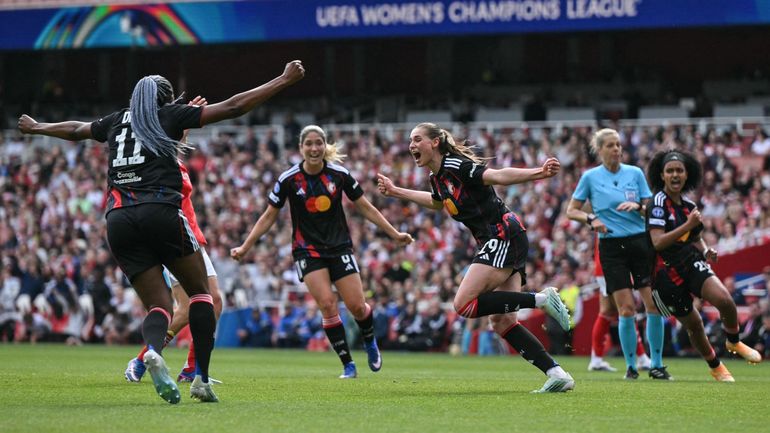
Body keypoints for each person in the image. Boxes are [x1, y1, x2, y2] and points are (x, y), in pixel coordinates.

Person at [18, 59, 306, 403]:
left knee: (159, 306)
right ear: (164, 100)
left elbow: (78, 129)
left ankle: (152, 351)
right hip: (162, 215)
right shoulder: (168, 116)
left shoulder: (116, 121)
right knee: (203, 296)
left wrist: (38, 128)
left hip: (119, 221)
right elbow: (234, 106)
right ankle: (199, 378)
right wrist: (283, 80)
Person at [376, 122, 575, 393]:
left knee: (463, 304)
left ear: (434, 142)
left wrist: (538, 173)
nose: (411, 145)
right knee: (502, 322)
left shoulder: (455, 165)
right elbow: (436, 203)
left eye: (417, 139)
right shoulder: (437, 178)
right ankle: (557, 373)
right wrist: (397, 191)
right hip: (502, 238)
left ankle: (541, 299)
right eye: (410, 140)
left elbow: (497, 176)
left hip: (503, 233)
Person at [230, 124, 413, 378]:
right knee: (327, 304)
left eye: (319, 143)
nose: (314, 148)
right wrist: (245, 246)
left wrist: (394, 234)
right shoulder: (288, 179)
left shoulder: (339, 174)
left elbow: (365, 207)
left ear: (324, 146)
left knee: (358, 307)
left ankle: (370, 341)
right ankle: (348, 364)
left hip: (339, 248)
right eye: (309, 143)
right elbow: (268, 216)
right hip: (307, 250)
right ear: (300, 148)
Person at [646, 149, 762, 381]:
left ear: (687, 175)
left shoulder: (689, 206)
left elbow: (695, 237)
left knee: (726, 301)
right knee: (695, 324)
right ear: (662, 176)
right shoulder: (657, 203)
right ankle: (716, 366)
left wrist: (706, 249)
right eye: (670, 171)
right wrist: (688, 226)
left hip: (690, 261)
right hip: (665, 275)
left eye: (679, 170)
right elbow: (657, 242)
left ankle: (733, 341)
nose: (675, 175)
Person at [566, 128, 670, 380]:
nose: (616, 149)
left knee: (653, 304)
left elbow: (650, 206)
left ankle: (656, 364)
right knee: (625, 309)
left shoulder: (634, 173)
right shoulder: (590, 177)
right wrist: (591, 219)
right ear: (600, 150)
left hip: (639, 244)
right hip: (611, 247)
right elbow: (572, 210)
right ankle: (631, 367)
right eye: (610, 145)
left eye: (618, 144)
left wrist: (638, 206)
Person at [124, 150, 225, 384]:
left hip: (192, 237)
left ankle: (192, 370)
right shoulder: (154, 160)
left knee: (215, 301)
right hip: (173, 236)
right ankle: (141, 360)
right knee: (189, 306)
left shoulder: (176, 160)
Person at [588, 233, 652, 372]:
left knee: (608, 311)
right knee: (626, 310)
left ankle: (596, 359)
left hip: (603, 264)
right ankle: (642, 358)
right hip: (609, 265)